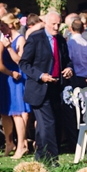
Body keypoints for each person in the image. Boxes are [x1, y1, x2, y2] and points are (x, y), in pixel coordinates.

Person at [20, 10, 74, 163]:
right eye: (53, 24)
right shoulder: (35, 39)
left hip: (56, 87)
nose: (56, 28)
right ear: (45, 23)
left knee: (52, 124)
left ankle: (40, 157)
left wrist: (69, 68)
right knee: (47, 123)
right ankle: (51, 160)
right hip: (39, 88)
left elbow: (66, 60)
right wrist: (40, 75)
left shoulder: (61, 41)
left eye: (58, 24)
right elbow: (24, 63)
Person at [0, 13, 30, 158]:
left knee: (17, 112)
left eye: (3, 25)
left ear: (10, 25)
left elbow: (21, 61)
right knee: (4, 111)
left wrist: (9, 48)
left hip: (16, 77)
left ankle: (21, 145)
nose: (0, 28)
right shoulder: (3, 38)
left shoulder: (20, 39)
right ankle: (9, 143)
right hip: (5, 77)